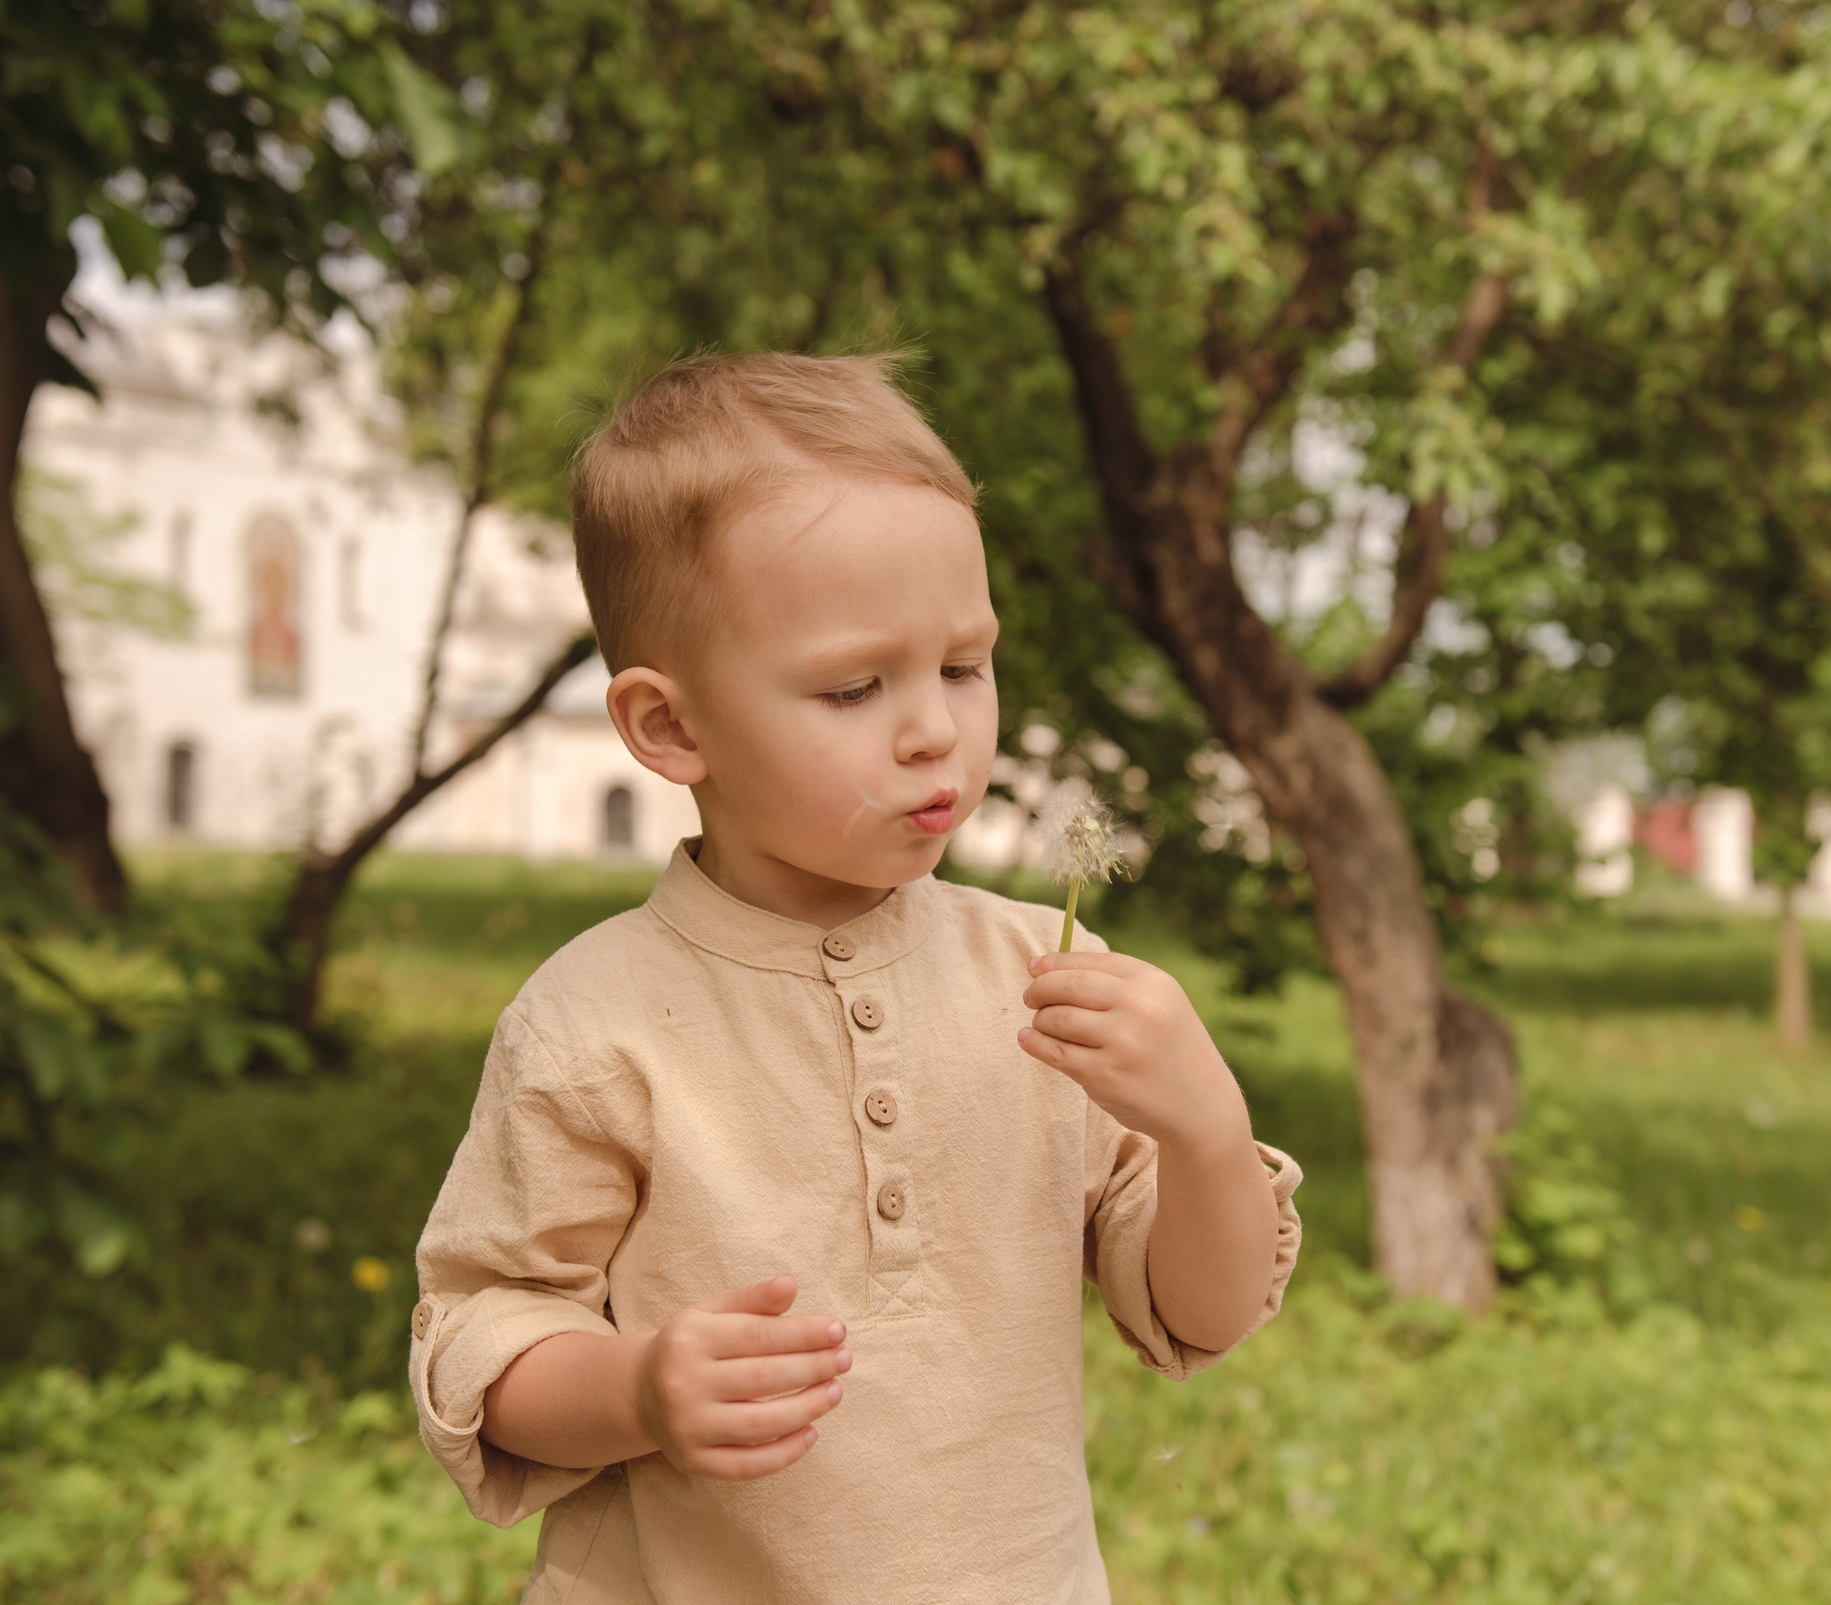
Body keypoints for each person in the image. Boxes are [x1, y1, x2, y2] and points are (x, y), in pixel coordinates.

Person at [409, 352, 1303, 1602]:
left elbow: (1200, 1310)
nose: (934, 728)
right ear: (671, 726)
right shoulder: (594, 1020)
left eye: (964, 665)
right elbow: (487, 1331)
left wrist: (1204, 1131)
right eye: (852, 686)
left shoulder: (1041, 975)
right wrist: (636, 1388)